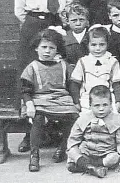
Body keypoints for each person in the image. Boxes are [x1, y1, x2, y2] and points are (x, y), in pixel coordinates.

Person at [21, 29, 79, 172]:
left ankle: (63, 147)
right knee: (38, 118)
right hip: (39, 99)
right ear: (36, 48)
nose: (47, 51)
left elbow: (72, 86)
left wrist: (76, 102)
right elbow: (25, 90)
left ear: (57, 50)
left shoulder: (64, 66)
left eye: (51, 48)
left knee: (73, 117)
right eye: (44, 47)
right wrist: (29, 104)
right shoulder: (32, 67)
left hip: (62, 99)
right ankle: (34, 154)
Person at [66, 85, 120, 178]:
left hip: (106, 153)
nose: (101, 109)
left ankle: (85, 166)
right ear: (90, 105)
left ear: (111, 104)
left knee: (114, 158)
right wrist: (74, 151)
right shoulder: (83, 119)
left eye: (105, 105)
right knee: (72, 152)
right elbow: (73, 139)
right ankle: (92, 167)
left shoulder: (118, 121)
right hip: (87, 152)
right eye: (97, 105)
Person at [70, 25, 120, 113]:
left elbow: (117, 83)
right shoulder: (83, 61)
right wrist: (76, 102)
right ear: (88, 45)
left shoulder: (112, 61)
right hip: (87, 98)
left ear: (107, 44)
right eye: (93, 45)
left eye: (102, 44)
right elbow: (75, 83)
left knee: (113, 119)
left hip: (107, 98)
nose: (98, 48)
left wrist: (118, 101)